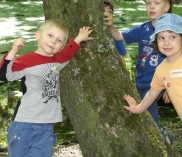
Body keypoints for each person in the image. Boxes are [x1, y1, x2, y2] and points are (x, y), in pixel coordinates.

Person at [0, 19, 93, 157]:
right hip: (24, 123)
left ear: (61, 46)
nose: (54, 41)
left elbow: (68, 53)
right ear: (38, 35)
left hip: (46, 125)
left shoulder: (58, 60)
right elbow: (4, 75)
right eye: (50, 35)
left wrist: (79, 38)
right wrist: (13, 51)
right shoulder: (26, 60)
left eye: (59, 40)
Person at [104, 0, 172, 140]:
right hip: (141, 82)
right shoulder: (143, 29)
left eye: (157, 3)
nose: (151, 6)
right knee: (148, 117)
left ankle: (162, 139)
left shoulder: (172, 32)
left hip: (158, 84)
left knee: (147, 115)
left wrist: (169, 87)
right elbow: (118, 36)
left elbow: (176, 60)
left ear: (166, 7)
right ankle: (164, 136)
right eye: (148, 3)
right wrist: (110, 25)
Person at [124, 13, 182, 145]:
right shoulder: (161, 70)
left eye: (172, 36)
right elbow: (151, 93)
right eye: (161, 38)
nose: (166, 42)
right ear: (155, 41)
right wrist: (138, 108)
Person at [104, 0, 127, 66]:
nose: (106, 14)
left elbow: (122, 61)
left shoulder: (116, 36)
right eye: (103, 11)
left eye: (109, 12)